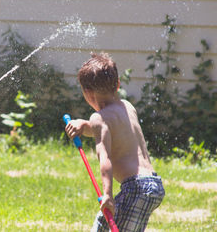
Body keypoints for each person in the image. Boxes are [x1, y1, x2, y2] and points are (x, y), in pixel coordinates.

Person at [65, 52, 165, 232]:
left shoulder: (99, 118)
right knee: (102, 226)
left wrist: (108, 195)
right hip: (151, 183)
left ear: (87, 93)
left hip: (136, 188)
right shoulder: (127, 106)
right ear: (117, 85)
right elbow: (105, 129)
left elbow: (105, 160)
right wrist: (82, 125)